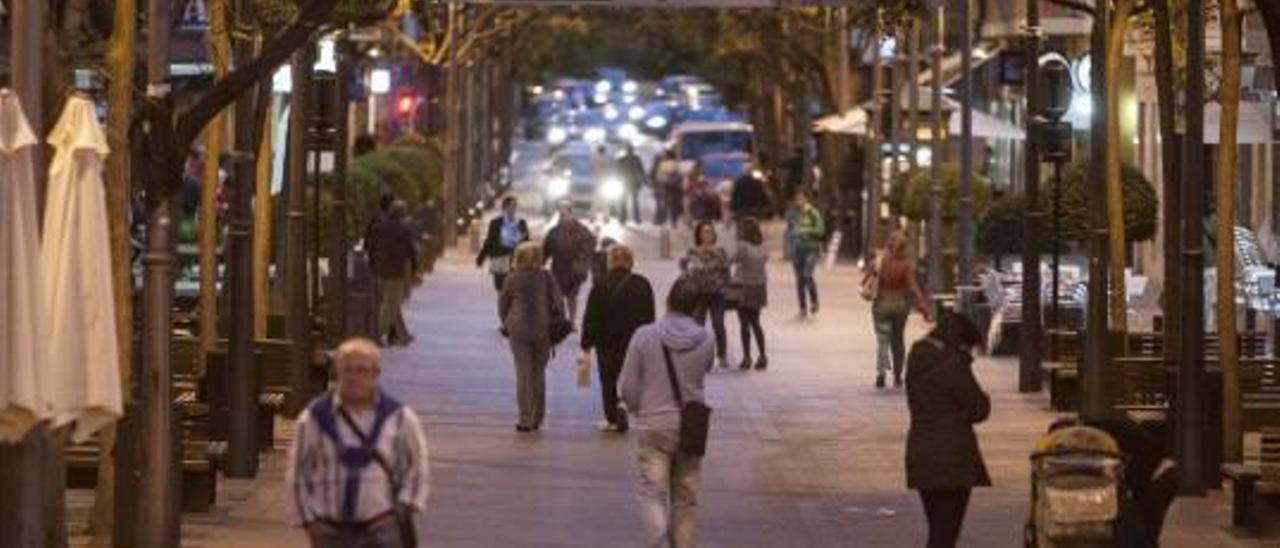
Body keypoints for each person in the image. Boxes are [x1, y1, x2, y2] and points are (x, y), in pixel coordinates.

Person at [288, 337, 430, 548]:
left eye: (362, 370)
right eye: (348, 370)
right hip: (330, 532)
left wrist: (403, 508)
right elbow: (298, 473)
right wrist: (309, 521)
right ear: (337, 372)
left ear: (376, 373)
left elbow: (417, 467)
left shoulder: (399, 418)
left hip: (382, 528)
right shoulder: (314, 419)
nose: (354, 377)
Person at [618, 277, 714, 548]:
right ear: (696, 308)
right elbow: (704, 370)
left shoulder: (644, 335)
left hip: (653, 424)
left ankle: (658, 543)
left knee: (652, 492)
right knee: (686, 495)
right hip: (691, 426)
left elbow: (627, 386)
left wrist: (640, 409)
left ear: (668, 300)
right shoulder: (706, 338)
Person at [904, 312, 990, 548]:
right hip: (953, 458)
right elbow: (979, 409)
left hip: (921, 453)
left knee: (937, 528)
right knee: (945, 534)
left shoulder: (917, 358)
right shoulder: (953, 364)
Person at [1047, 418, 1178, 547]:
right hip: (1156, 473)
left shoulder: (1096, 437)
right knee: (1141, 528)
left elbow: (1121, 463)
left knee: (1144, 530)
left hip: (1160, 475)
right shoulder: (1101, 428)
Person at [581, 245, 655, 433]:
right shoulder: (642, 284)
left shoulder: (601, 284)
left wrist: (586, 343)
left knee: (608, 378)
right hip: (635, 339)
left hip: (606, 341)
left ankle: (612, 418)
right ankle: (625, 405)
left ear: (610, 262)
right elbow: (650, 315)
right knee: (631, 375)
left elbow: (591, 316)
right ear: (631, 262)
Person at [499, 242, 565, 433]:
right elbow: (558, 303)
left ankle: (525, 419)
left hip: (518, 330)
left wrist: (507, 322)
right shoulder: (546, 277)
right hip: (542, 330)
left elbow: (503, 304)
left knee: (523, 374)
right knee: (539, 374)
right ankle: (538, 418)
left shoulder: (512, 278)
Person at [864, 232, 931, 388]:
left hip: (881, 304)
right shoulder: (907, 264)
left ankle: (881, 373)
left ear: (888, 244)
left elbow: (867, 279)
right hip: (900, 305)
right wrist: (923, 308)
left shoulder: (879, 260)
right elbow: (912, 288)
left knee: (882, 339)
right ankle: (897, 376)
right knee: (898, 340)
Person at [367, 201, 420, 347]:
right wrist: (414, 269)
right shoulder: (403, 229)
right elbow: (410, 250)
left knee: (390, 303)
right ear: (402, 214)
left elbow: (370, 247)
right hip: (395, 271)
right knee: (391, 304)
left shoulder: (378, 227)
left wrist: (373, 265)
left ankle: (403, 336)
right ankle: (376, 334)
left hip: (379, 270)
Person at [680, 221, 731, 369]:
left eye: (710, 231)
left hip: (717, 294)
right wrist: (687, 275)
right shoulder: (693, 251)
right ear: (699, 235)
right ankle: (698, 356)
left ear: (714, 234)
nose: (707, 234)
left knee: (718, 324)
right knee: (697, 326)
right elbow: (683, 266)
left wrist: (725, 286)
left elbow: (727, 271)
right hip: (698, 293)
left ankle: (722, 355)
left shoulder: (721, 251)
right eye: (704, 232)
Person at [543, 203, 597, 321]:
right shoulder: (554, 231)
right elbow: (546, 248)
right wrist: (539, 262)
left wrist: (582, 260)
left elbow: (590, 244)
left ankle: (572, 321)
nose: (563, 216)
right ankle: (561, 320)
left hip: (574, 269)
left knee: (572, 296)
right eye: (561, 213)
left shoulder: (581, 230)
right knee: (558, 296)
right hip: (558, 268)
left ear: (571, 213)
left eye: (565, 213)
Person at [732, 218, 769, 370]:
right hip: (759, 287)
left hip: (743, 287)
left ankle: (747, 357)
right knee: (756, 323)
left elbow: (730, 260)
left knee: (744, 323)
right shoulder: (764, 247)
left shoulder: (742, 247)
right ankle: (763, 355)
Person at [477, 196, 530, 295]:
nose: (513, 208)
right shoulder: (496, 223)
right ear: (504, 208)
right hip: (499, 259)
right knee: (501, 289)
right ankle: (503, 307)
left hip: (515, 260)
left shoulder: (521, 223)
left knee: (515, 288)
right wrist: (481, 258)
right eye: (511, 206)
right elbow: (489, 241)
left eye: (515, 206)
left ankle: (511, 308)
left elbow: (527, 244)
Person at [784, 189, 824, 318]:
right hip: (797, 250)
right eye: (797, 199)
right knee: (799, 280)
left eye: (801, 198)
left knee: (807, 275)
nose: (799, 201)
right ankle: (802, 307)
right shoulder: (793, 214)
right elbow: (789, 230)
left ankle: (814, 301)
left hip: (811, 249)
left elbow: (820, 230)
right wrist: (789, 246)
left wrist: (805, 231)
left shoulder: (813, 213)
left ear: (806, 199)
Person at [651, 150, 683, 226]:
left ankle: (663, 220)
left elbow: (659, 176)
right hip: (675, 187)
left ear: (667, 156)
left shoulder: (662, 165)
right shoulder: (677, 164)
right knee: (674, 204)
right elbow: (680, 176)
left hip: (665, 186)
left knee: (665, 203)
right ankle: (674, 221)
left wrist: (659, 183)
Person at [618, 143, 647, 224]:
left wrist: (617, 179)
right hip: (634, 183)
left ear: (626, 150)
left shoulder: (622, 159)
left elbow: (618, 171)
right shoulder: (637, 159)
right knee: (635, 201)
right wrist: (645, 181)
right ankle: (637, 219)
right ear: (632, 150)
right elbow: (641, 171)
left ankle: (623, 218)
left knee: (623, 201)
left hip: (625, 182)